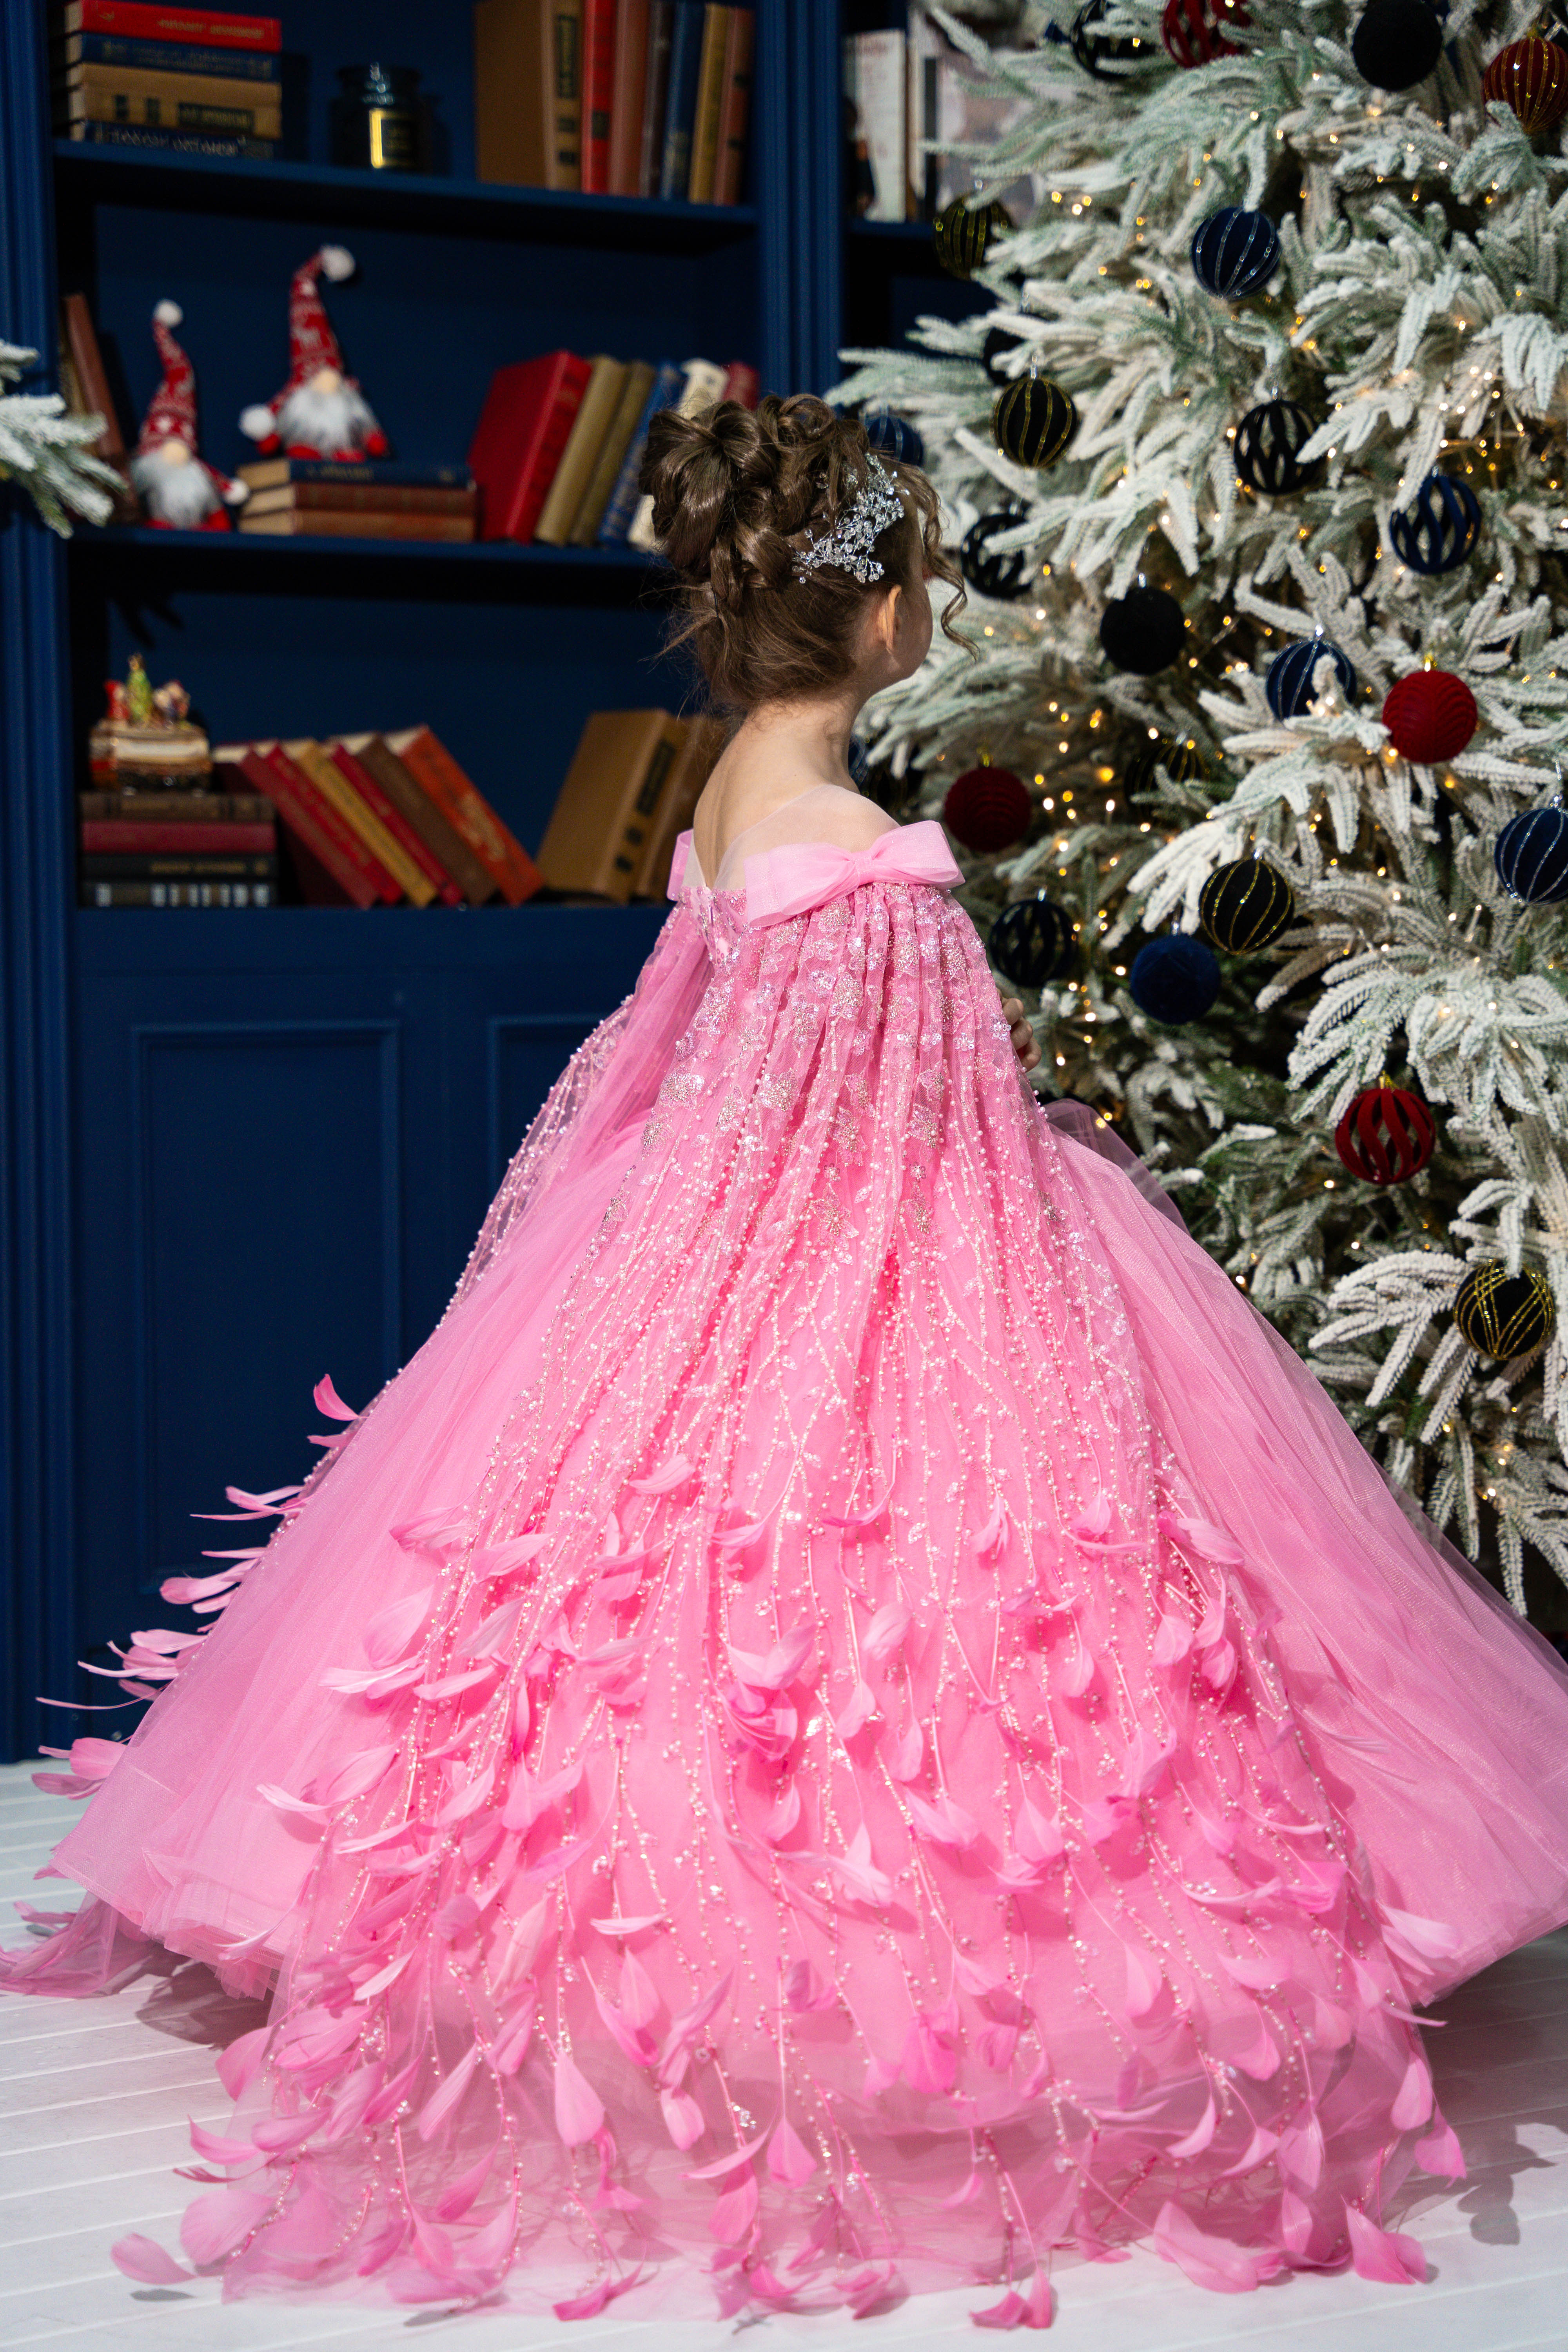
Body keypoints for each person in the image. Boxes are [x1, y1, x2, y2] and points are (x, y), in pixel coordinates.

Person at [8, 396, 1568, 2327]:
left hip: (705, 1227)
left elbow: (718, 1070)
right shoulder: (870, 858)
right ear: (885, 612)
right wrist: (1050, 1143)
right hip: (873, 1252)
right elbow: (929, 1139)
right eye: (919, 575)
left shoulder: (733, 800)